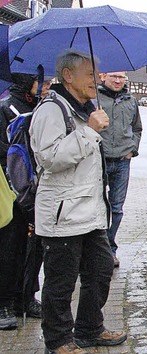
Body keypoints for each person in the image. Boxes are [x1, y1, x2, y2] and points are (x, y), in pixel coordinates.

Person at [29, 49, 127, 353]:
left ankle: (89, 329)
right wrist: (89, 131)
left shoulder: (84, 108)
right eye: (89, 74)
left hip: (91, 214)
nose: (95, 80)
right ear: (68, 76)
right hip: (63, 216)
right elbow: (50, 158)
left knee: (99, 270)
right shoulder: (51, 110)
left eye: (96, 74)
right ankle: (58, 341)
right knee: (61, 284)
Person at [0, 72, 51, 330]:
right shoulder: (6, 107)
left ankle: (27, 295)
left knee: (35, 247)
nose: (48, 85)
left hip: (38, 189)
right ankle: (5, 301)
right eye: (43, 81)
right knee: (11, 247)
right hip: (13, 189)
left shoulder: (42, 107)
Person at [97, 71, 142, 268]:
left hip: (123, 160)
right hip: (100, 160)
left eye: (121, 77)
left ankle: (109, 250)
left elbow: (137, 128)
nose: (117, 80)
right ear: (103, 76)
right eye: (113, 76)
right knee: (96, 207)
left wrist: (132, 149)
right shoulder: (95, 99)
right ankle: (94, 252)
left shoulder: (131, 100)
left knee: (116, 208)